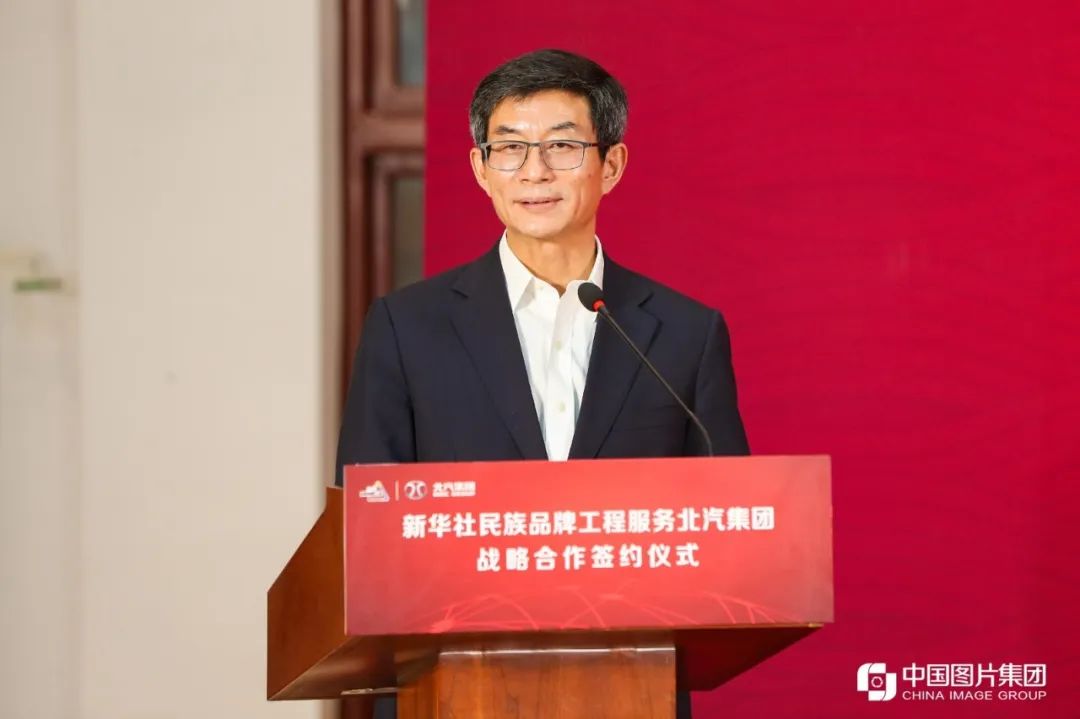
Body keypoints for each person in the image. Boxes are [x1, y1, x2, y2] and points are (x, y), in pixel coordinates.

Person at [335, 49, 749, 718]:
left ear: (611, 164)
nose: (534, 171)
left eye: (562, 146)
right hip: (450, 690)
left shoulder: (684, 333)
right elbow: (364, 527)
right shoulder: (407, 328)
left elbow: (728, 528)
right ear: (480, 168)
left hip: (630, 686)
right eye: (509, 148)